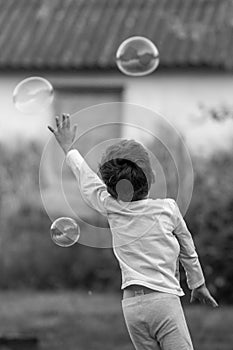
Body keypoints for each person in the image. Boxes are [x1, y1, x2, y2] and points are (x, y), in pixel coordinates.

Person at [48, 114, 218, 350]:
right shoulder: (167, 209)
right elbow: (187, 247)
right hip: (164, 302)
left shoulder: (111, 206)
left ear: (110, 187)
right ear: (151, 176)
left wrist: (68, 147)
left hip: (132, 308)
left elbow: (86, 180)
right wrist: (197, 282)